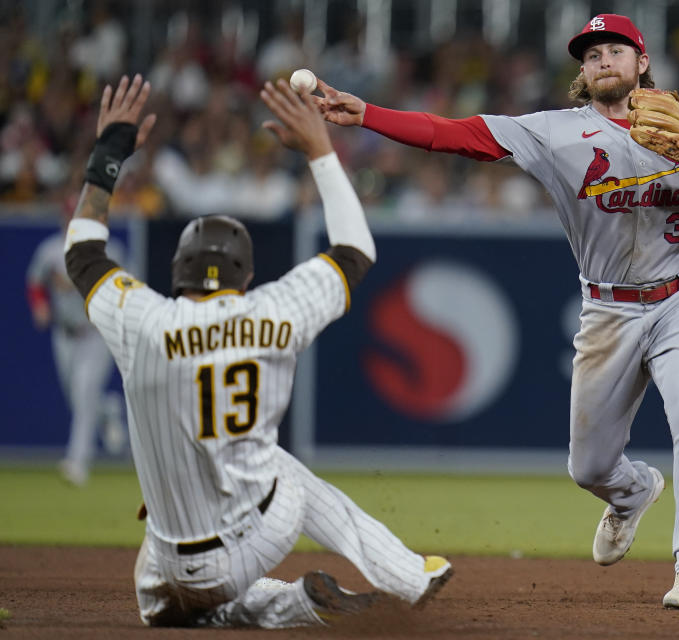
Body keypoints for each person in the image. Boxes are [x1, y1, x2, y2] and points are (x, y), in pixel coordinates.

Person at [312, 13, 679, 609]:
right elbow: (456, 133)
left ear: (641, 62)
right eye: (590, 53)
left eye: (614, 50)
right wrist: (369, 115)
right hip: (607, 310)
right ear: (582, 70)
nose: (601, 60)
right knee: (589, 467)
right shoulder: (554, 133)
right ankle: (632, 492)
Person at [63, 73, 452, 628]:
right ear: (244, 278)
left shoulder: (142, 320)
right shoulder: (274, 310)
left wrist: (107, 155)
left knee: (162, 609)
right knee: (278, 468)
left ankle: (289, 603)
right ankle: (400, 577)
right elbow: (354, 249)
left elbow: (81, 256)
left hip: (167, 561)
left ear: (178, 273)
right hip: (253, 544)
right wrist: (319, 151)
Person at [26, 215, 126, 486]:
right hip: (65, 333)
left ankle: (77, 462)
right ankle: (107, 411)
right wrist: (40, 305)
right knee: (77, 396)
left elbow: (126, 287)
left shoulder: (109, 250)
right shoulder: (50, 250)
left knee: (84, 392)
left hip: (95, 333)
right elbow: (35, 280)